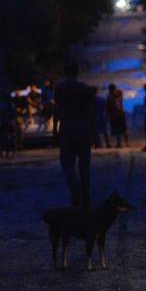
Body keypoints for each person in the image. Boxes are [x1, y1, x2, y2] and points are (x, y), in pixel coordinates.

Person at [53, 62, 97, 208]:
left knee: (67, 164)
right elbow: (91, 113)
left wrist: (55, 130)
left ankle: (75, 190)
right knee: (85, 167)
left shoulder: (60, 88)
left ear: (65, 72)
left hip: (67, 129)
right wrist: (94, 133)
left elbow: (57, 110)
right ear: (77, 72)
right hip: (83, 130)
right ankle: (85, 198)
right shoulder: (85, 89)